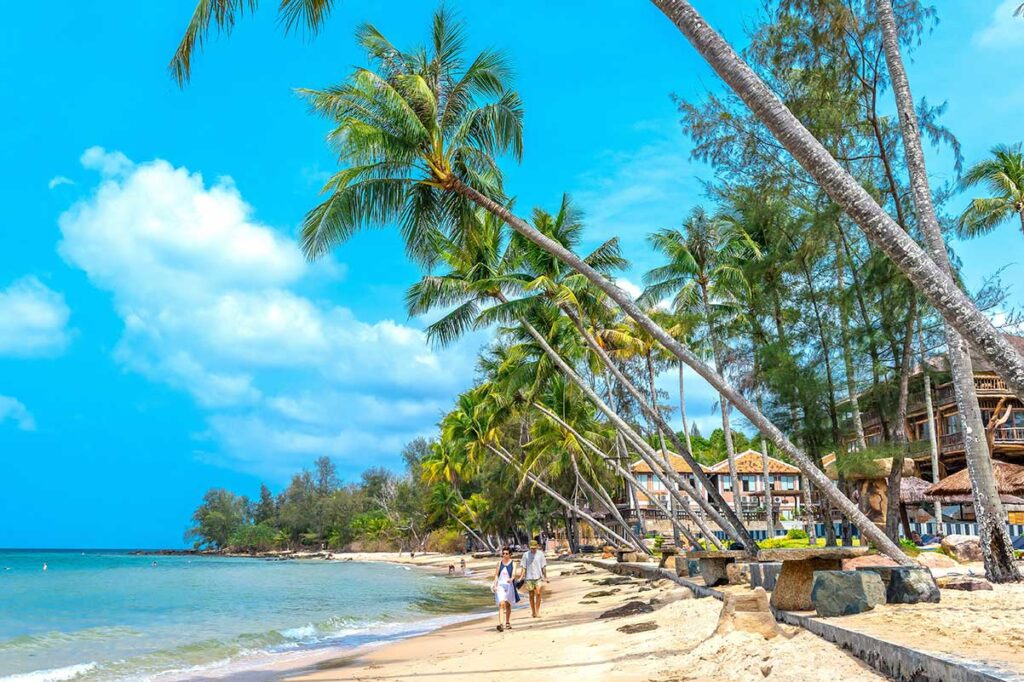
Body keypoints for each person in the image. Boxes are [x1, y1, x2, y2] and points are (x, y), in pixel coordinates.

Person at [490, 547, 520, 631]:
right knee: (501, 603)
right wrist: (495, 585)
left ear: (510, 554)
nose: (504, 555)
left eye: (506, 553)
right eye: (503, 553)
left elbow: (513, 574)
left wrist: (511, 579)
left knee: (508, 604)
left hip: (509, 585)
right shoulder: (499, 563)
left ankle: (507, 622)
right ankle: (501, 624)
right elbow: (496, 575)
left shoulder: (513, 563)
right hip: (500, 586)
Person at [521, 539, 548, 618]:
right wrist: (521, 577)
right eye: (531, 548)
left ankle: (537, 611)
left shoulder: (540, 554)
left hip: (538, 577)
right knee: (531, 595)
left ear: (537, 546)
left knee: (538, 593)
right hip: (529, 578)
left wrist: (545, 576)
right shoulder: (525, 555)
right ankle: (533, 612)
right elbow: (523, 567)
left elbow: (543, 566)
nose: (533, 549)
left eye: (534, 548)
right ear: (529, 547)